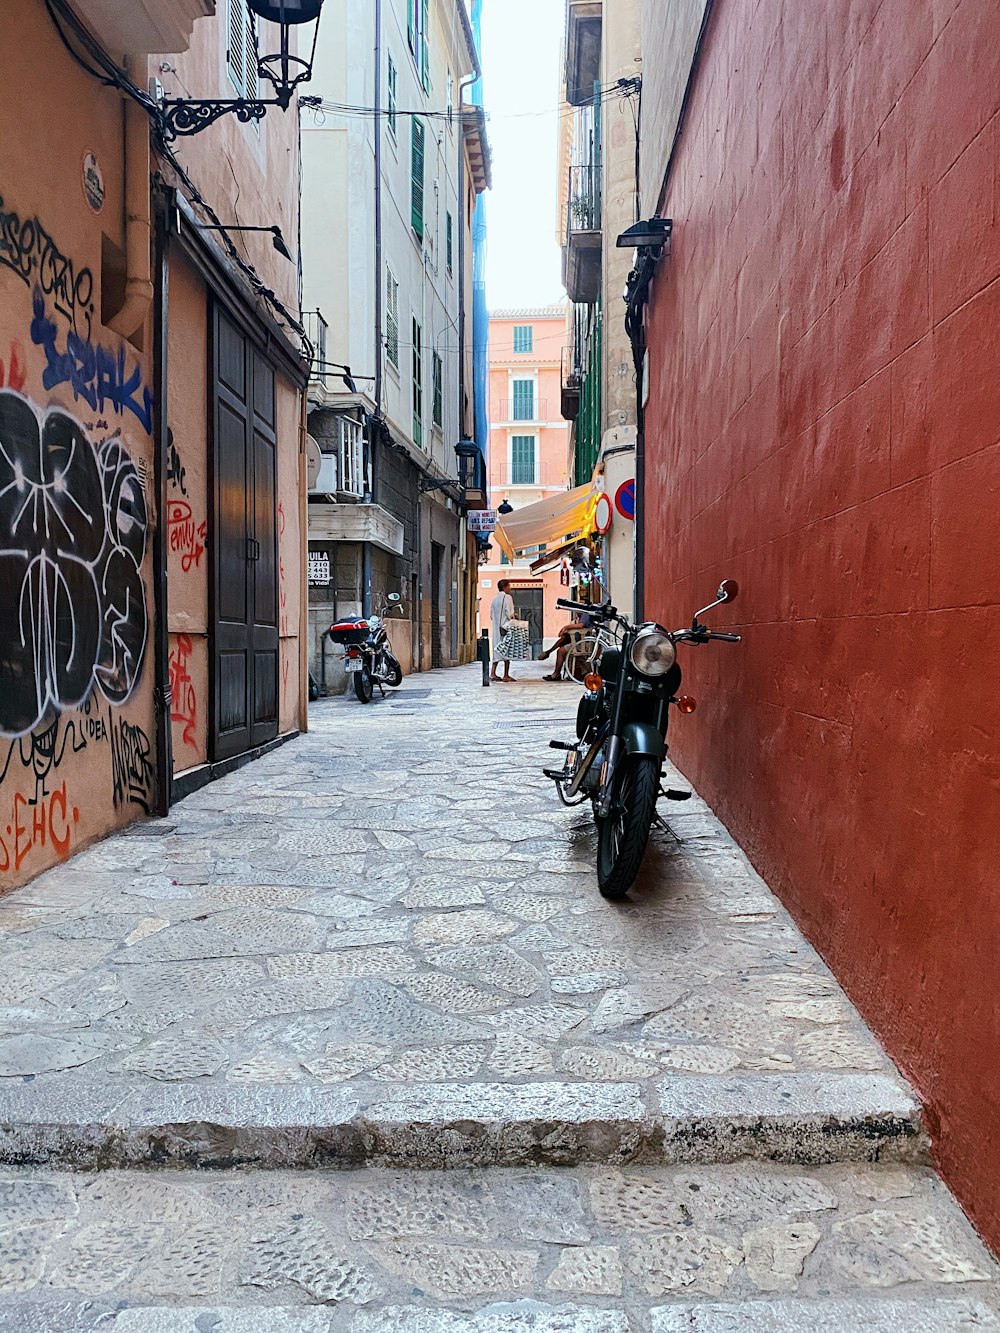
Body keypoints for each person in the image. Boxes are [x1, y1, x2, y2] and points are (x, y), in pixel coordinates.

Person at [538, 611, 592, 681]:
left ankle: (556, 673)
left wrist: (567, 627)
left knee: (561, 651)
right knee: (564, 639)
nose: (577, 611)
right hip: (579, 643)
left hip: (584, 644)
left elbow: (581, 625)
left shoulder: (586, 614)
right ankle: (548, 652)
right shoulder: (577, 619)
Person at [489, 579, 517, 682]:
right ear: (505, 587)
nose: (510, 588)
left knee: (497, 650)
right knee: (507, 650)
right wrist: (514, 616)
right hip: (505, 628)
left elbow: (491, 615)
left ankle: (493, 673)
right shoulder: (507, 597)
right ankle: (506, 674)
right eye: (509, 586)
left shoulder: (494, 599)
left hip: (496, 629)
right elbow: (509, 613)